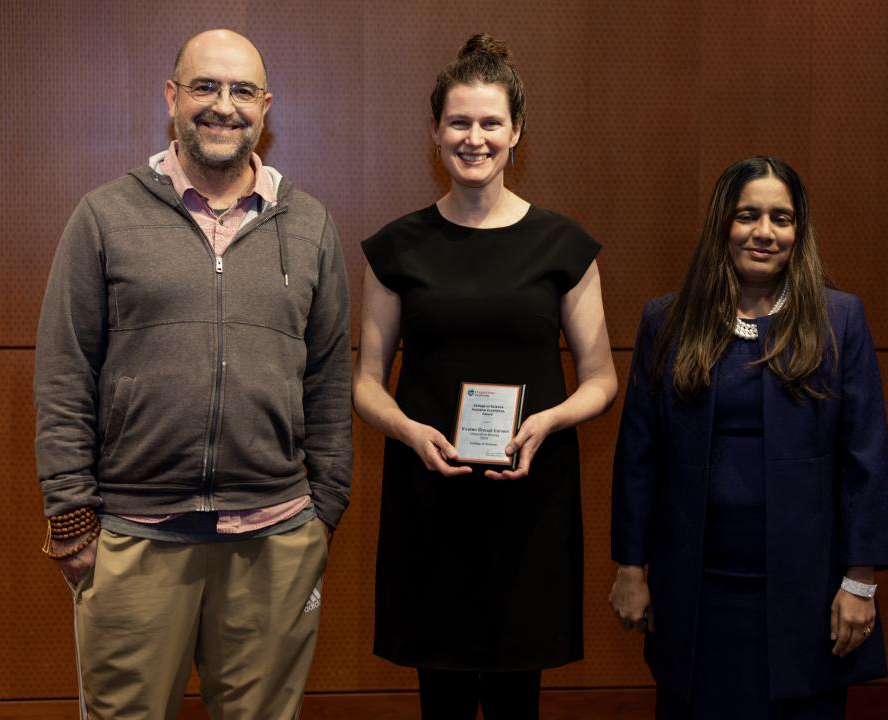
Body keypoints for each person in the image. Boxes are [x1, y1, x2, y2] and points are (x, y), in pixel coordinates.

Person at [33, 29, 351, 719]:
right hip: (136, 538)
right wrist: (70, 516)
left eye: (241, 91)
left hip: (275, 540)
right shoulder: (104, 218)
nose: (223, 106)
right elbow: (64, 374)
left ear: (266, 108)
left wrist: (322, 512)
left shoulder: (311, 227)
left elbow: (328, 382)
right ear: (172, 97)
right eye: (205, 86)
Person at [353, 34, 617, 720]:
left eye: (490, 123)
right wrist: (409, 431)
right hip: (428, 493)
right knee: (438, 691)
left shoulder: (565, 245)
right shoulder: (395, 248)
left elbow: (600, 378)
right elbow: (366, 382)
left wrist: (550, 421)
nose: (475, 138)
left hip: (529, 495)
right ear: (436, 131)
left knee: (515, 695)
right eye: (460, 122)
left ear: (516, 131)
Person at [609, 156, 888, 718]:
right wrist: (629, 569)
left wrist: (861, 580)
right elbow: (639, 459)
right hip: (696, 596)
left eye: (781, 218)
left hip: (807, 596)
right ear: (723, 224)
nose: (764, 232)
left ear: (799, 231)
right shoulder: (666, 322)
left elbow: (866, 457)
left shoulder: (839, 321)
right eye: (748, 215)